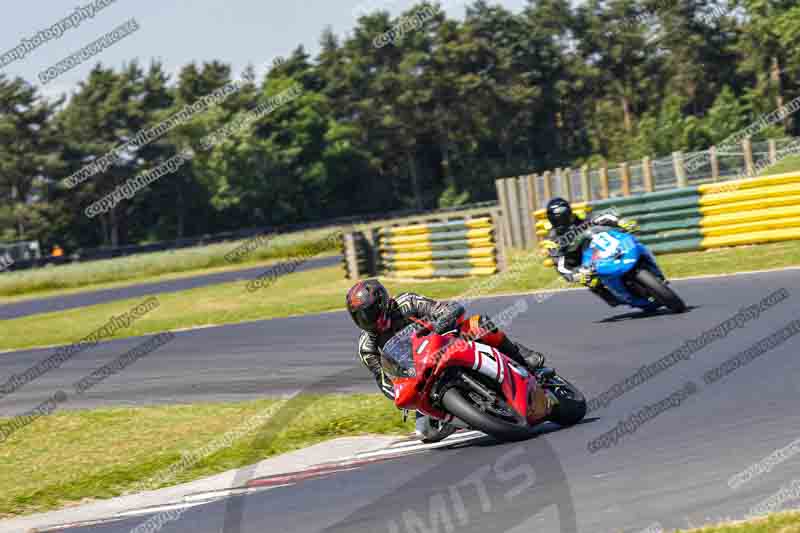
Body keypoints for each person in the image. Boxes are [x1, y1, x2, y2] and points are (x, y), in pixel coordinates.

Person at [346, 279, 546, 441]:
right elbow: (384, 380)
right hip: (418, 377)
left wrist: (442, 321)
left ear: (382, 302)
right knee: (425, 433)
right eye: (360, 316)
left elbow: (446, 308)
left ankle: (522, 358)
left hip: (445, 343)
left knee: (479, 324)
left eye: (369, 312)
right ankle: (462, 416)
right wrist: (401, 397)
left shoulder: (406, 302)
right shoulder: (367, 347)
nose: (366, 319)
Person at [543, 197, 638, 306]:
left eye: (563, 217)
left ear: (569, 213)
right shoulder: (553, 239)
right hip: (584, 262)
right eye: (557, 219)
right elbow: (560, 265)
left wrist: (620, 221)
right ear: (551, 220)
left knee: (629, 237)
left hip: (603, 245)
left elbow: (603, 216)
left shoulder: (581, 218)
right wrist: (575, 275)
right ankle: (610, 296)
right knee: (588, 280)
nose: (561, 221)